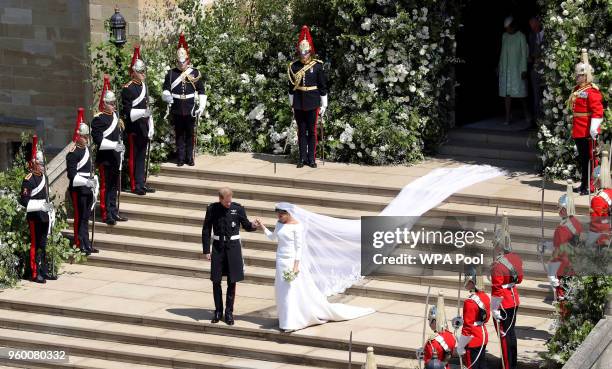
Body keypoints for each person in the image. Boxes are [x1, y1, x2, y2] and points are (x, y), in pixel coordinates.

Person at [256, 203, 374, 331]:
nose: (279, 216)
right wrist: (262, 226)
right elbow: (273, 238)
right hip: (280, 261)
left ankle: (292, 321)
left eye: (282, 214)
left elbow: (299, 248)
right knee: (282, 290)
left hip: (291, 261)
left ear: (289, 213)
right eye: (278, 214)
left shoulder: (297, 226)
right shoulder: (279, 224)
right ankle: (286, 319)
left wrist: (296, 267)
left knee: (292, 290)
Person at [201, 187, 258, 325]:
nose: (228, 204)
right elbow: (206, 229)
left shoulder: (237, 209)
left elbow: (246, 225)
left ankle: (229, 312)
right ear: (220, 199)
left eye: (229, 201)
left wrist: (254, 225)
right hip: (218, 247)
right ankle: (218, 311)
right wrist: (206, 250)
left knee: (232, 281)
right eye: (226, 202)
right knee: (216, 280)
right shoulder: (212, 209)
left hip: (233, 248)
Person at [162, 32, 207, 167]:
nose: (181, 64)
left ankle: (190, 157)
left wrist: (201, 106)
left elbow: (201, 90)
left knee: (190, 134)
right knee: (179, 134)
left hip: (190, 107)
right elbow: (165, 88)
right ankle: (180, 158)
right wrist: (167, 96)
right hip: (177, 107)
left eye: (184, 62)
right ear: (177, 61)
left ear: (188, 61)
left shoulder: (194, 73)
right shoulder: (171, 73)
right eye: (179, 62)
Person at [288, 25, 328, 168]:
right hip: (299, 102)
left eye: (305, 52)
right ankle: (302, 158)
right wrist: (291, 104)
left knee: (311, 131)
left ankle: (311, 158)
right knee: (301, 132)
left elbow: (322, 86)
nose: (303, 55)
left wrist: (324, 104)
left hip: (312, 102)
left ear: (310, 52)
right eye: (301, 52)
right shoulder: (294, 66)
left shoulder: (317, 66)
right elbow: (291, 87)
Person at [92, 75, 128, 225]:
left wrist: (121, 149)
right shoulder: (98, 119)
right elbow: (99, 141)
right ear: (105, 104)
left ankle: (114, 211)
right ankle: (106, 214)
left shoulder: (116, 117)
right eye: (111, 103)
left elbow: (120, 136)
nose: (114, 105)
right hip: (105, 158)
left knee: (114, 186)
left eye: (114, 103)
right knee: (106, 187)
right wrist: (115, 146)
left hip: (115, 157)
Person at [19, 135, 56, 283]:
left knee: (43, 243)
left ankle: (43, 269)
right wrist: (40, 205)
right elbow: (24, 200)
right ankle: (35, 273)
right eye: (40, 164)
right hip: (34, 216)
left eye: (43, 164)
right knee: (35, 244)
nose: (42, 167)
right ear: (34, 164)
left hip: (44, 215)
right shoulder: (28, 179)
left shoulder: (44, 178)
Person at [490, 212, 523, 369]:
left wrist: (495, 308)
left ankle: (508, 366)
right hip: (514, 299)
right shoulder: (515, 258)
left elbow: (496, 289)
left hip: (503, 303)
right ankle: (513, 363)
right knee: (511, 334)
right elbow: (519, 279)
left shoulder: (497, 265)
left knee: (504, 336)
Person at [569, 48, 605, 195]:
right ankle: (584, 183)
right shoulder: (577, 89)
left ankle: (591, 185)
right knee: (583, 160)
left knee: (590, 160)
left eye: (579, 75)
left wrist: (594, 128)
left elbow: (598, 111)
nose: (577, 77)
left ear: (586, 76)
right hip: (579, 130)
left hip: (587, 131)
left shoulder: (592, 91)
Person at [546, 180, 582, 318]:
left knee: (563, 302)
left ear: (564, 209)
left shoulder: (561, 228)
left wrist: (551, 272)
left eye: (560, 208)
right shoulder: (576, 223)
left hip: (563, 267)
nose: (558, 211)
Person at [122, 45, 155, 195]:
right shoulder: (128, 88)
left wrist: (151, 125)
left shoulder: (144, 86)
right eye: (141, 72)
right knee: (134, 158)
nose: (143, 74)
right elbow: (128, 113)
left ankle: (142, 182)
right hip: (134, 128)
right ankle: (135, 184)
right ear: (134, 73)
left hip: (143, 126)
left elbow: (147, 106)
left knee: (142, 156)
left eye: (144, 72)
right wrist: (143, 112)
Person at [66, 107, 98, 255]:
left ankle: (87, 243)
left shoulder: (87, 150)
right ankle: (80, 243)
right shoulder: (73, 153)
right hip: (79, 189)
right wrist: (86, 183)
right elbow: (72, 176)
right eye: (84, 137)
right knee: (80, 218)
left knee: (86, 217)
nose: (86, 139)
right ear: (78, 137)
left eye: (87, 136)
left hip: (88, 188)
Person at [456, 267, 490, 369]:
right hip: (483, 334)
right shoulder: (485, 296)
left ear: (471, 281)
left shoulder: (469, 301)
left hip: (473, 339)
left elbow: (467, 328)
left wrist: (461, 346)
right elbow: (485, 318)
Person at [498, 16, 530, 125]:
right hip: (506, 69)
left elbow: (524, 54)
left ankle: (527, 113)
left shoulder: (521, 36)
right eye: (506, 28)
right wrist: (499, 66)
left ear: (513, 26)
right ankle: (507, 118)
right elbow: (502, 53)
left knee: (521, 95)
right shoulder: (504, 36)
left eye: (508, 28)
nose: (507, 30)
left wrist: (524, 69)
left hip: (517, 69)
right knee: (507, 94)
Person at [422, 292, 456, 369]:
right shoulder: (450, 335)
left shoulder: (432, 342)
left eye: (430, 320)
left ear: (434, 321)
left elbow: (429, 363)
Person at [587, 151, 612, 247]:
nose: (593, 183)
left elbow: (597, 224)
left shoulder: (597, 199)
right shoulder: (610, 192)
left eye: (594, 180)